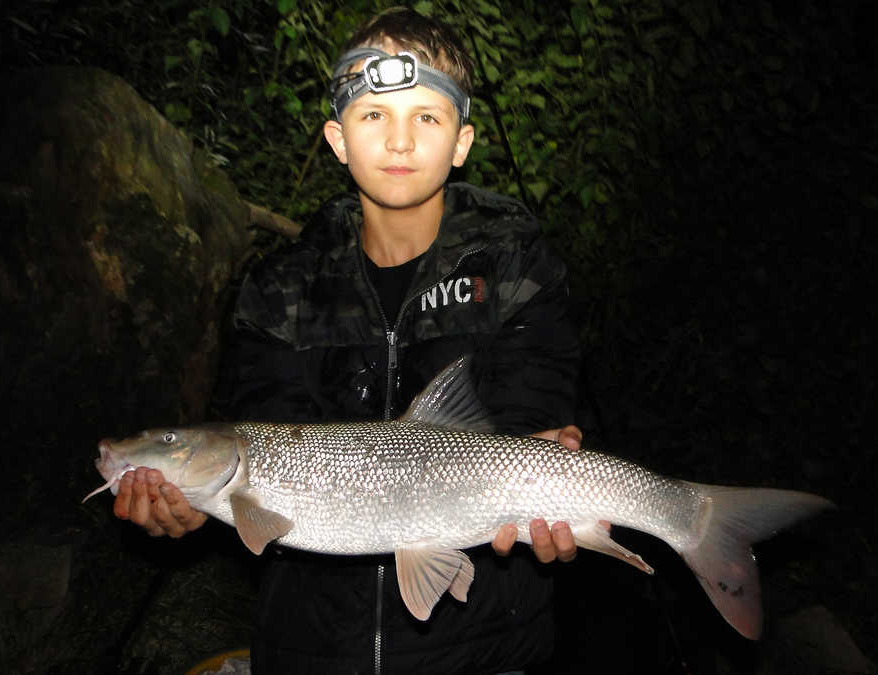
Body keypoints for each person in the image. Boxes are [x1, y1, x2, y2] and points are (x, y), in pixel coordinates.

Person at [113, 7, 584, 673]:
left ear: (462, 141)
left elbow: (527, 415)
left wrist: (542, 470)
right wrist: (187, 513)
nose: (399, 140)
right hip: (312, 649)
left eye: (426, 116)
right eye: (373, 116)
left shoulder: (515, 267)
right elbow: (264, 438)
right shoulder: (281, 289)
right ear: (337, 139)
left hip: (485, 649)